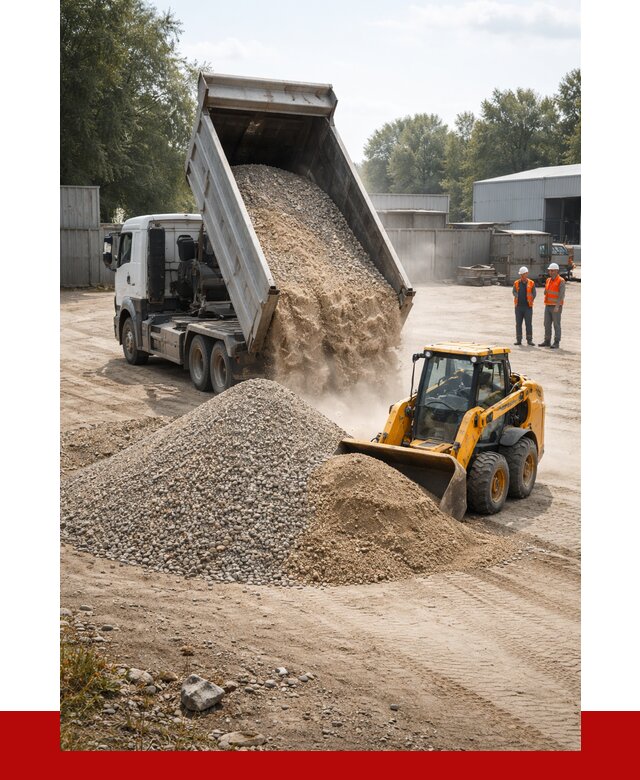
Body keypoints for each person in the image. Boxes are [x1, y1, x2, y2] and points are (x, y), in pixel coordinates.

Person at [539, 262, 566, 349]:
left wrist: (557, 306)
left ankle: (556, 342)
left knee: (556, 324)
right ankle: (547, 341)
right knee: (546, 324)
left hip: (556, 307)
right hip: (548, 305)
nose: (550, 272)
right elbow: (546, 291)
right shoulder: (548, 280)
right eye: (550, 271)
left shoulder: (561, 281)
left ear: (557, 271)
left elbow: (561, 295)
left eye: (552, 271)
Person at [512, 266, 536, 346]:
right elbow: (514, 291)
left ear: (526, 274)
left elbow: (534, 293)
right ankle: (519, 340)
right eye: (521, 274)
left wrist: (531, 299)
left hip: (528, 307)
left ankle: (529, 340)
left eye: (523, 274)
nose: (522, 276)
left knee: (528, 324)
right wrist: (517, 295)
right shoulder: (516, 283)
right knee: (518, 324)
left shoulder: (531, 283)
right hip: (518, 307)